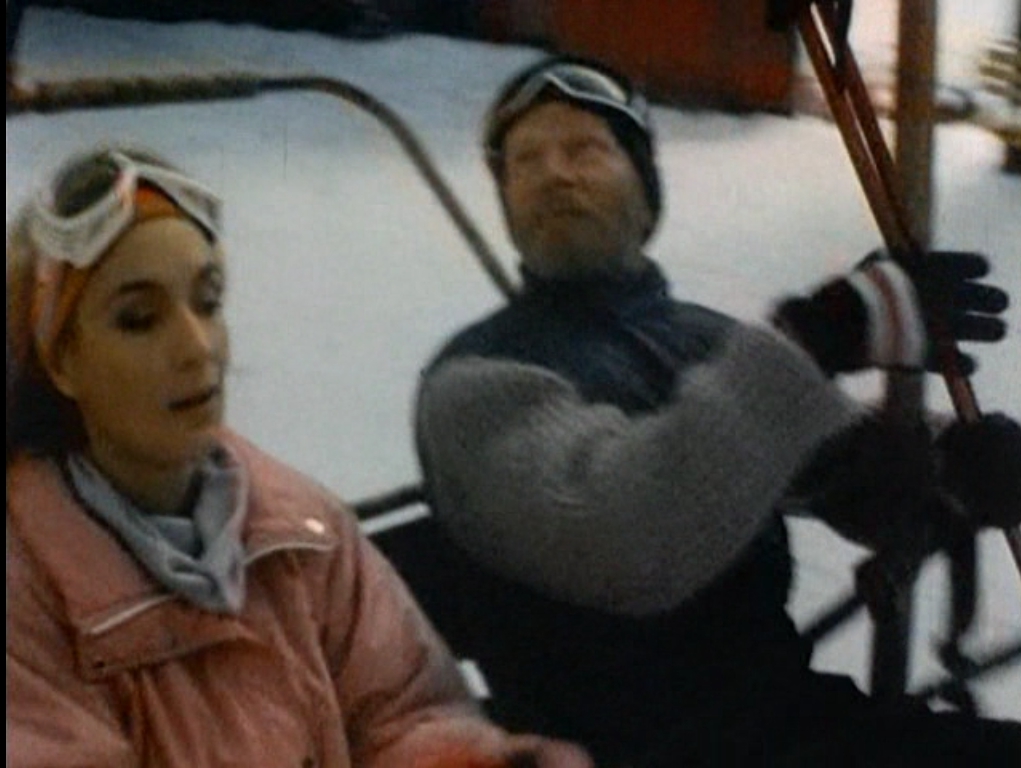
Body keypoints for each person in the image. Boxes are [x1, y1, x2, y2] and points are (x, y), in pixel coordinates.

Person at [378, 56, 1021, 767]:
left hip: (785, 724)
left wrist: (946, 469)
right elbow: (631, 541)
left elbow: (835, 469)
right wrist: (815, 340)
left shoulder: (706, 341)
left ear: (644, 189)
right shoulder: (475, 382)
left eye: (584, 149)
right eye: (526, 161)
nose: (553, 174)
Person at [4, 145, 594, 768]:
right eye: (140, 319)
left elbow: (401, 716)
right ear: (62, 361)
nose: (197, 347)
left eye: (207, 302)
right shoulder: (26, 590)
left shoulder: (299, 534)